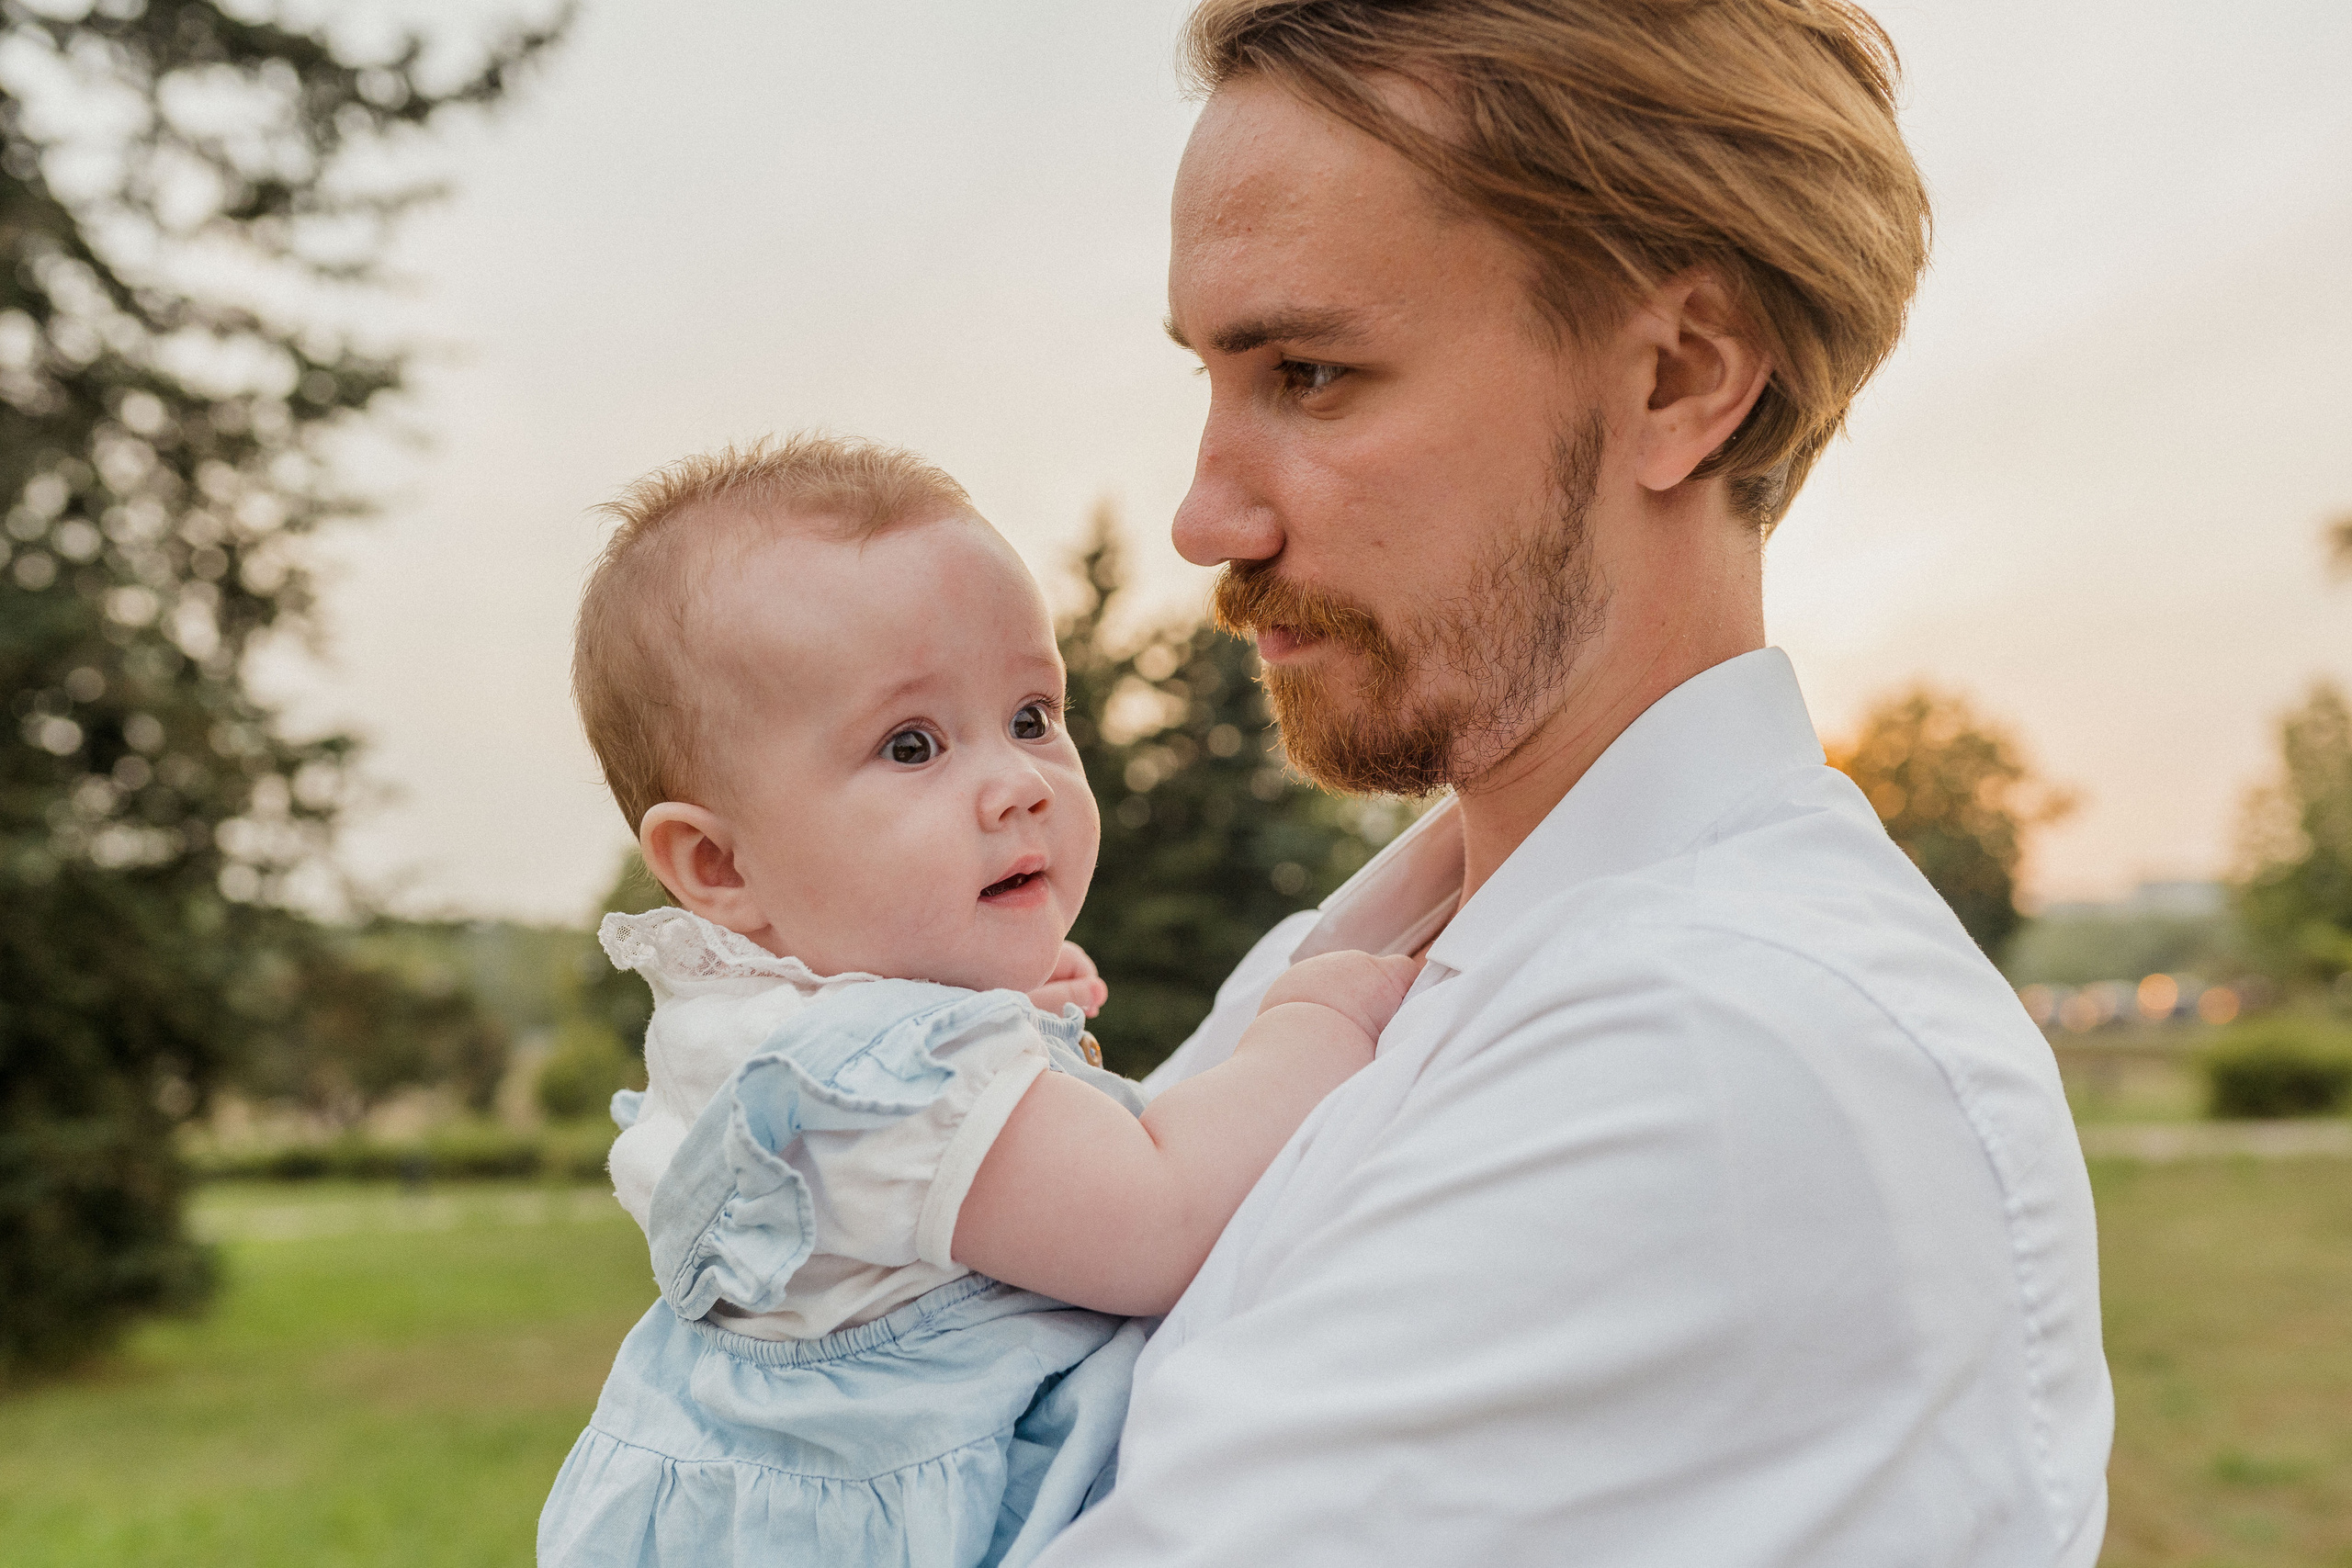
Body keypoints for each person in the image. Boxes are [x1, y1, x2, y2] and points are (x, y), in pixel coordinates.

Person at [1036, 2, 2113, 1564]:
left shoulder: (1730, 1048)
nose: (1207, 519)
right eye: (1214, 376)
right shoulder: (1348, 968)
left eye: (1314, 374)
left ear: (1680, 379)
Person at [535, 435, 1418, 1568]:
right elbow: (1159, 1219)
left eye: (1033, 716)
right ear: (719, 869)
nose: (1016, 782)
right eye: (913, 746)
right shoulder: (875, 1085)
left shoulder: (810, 1037)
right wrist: (1315, 1022)